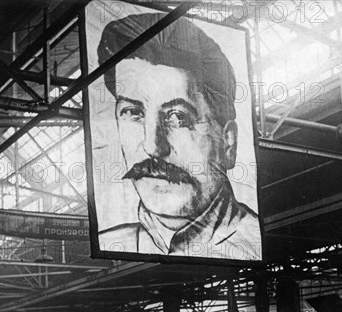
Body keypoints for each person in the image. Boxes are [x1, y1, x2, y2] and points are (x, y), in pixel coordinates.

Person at [96, 13, 260, 259]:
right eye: (133, 112)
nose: (152, 147)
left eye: (178, 117)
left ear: (228, 143)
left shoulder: (252, 241)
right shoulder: (111, 244)